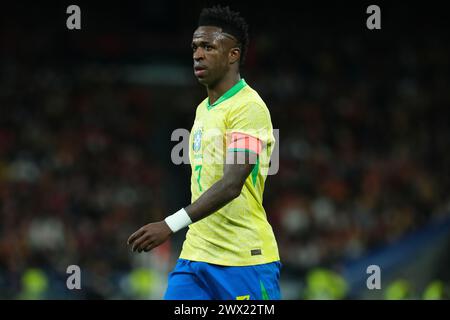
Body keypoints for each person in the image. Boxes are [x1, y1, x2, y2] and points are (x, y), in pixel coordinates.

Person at [127, 5, 281, 300]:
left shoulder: (248, 107)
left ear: (233, 54)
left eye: (209, 47)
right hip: (195, 257)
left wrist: (169, 224)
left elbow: (232, 184)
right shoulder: (202, 110)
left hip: (243, 260)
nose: (198, 54)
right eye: (195, 46)